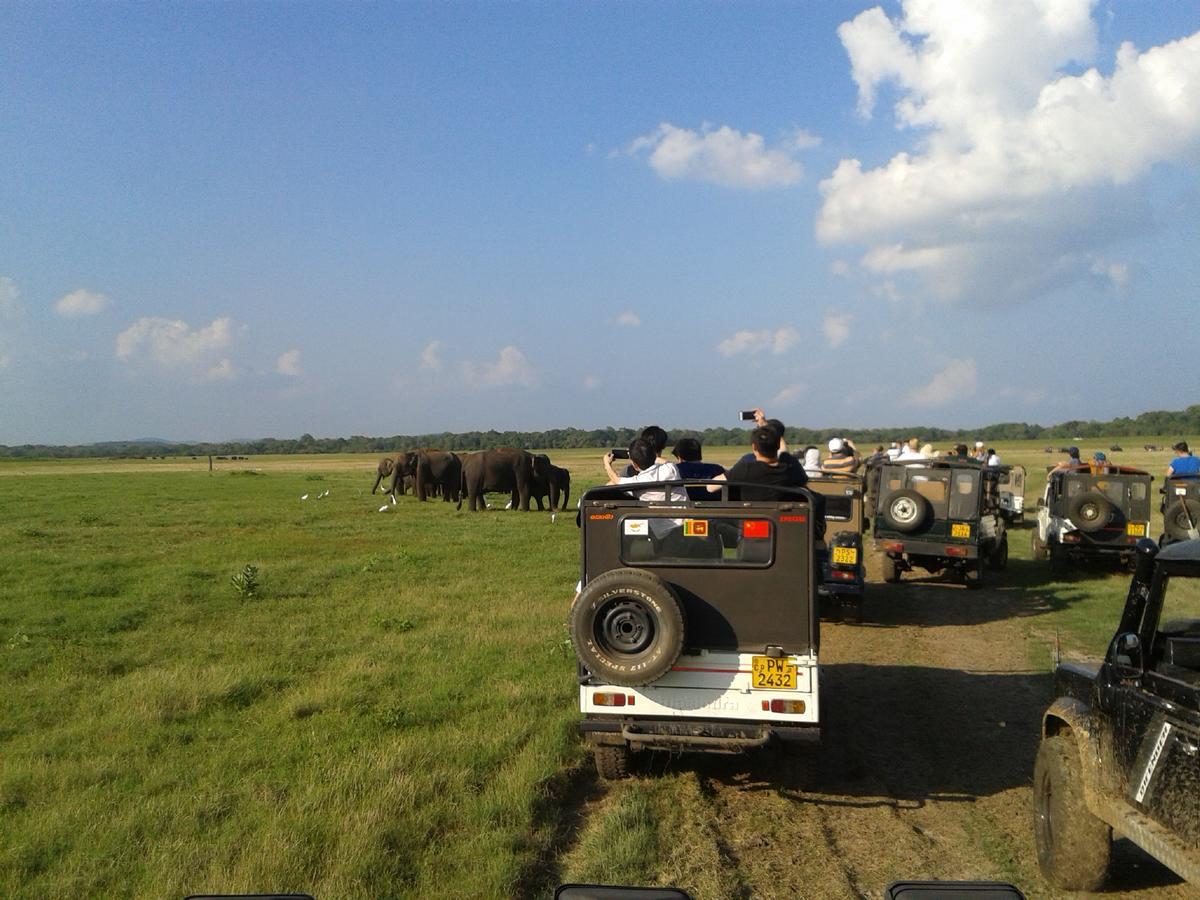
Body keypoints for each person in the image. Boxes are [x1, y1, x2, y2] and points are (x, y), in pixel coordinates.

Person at [708, 426, 807, 501]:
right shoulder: (790, 468)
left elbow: (710, 487)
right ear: (777, 446)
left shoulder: (745, 469)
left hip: (750, 521)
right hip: (785, 521)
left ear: (754, 447)